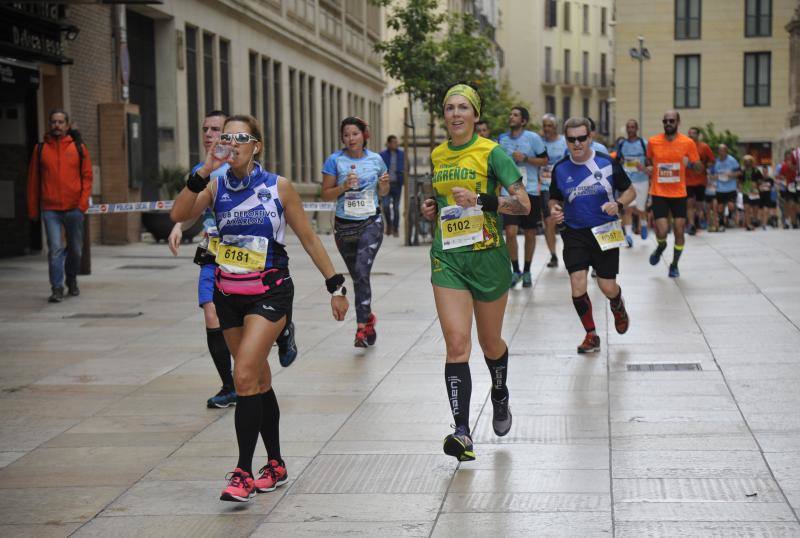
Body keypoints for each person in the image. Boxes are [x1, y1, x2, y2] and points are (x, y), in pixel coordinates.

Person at [170, 114, 348, 503]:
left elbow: (308, 238)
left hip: (270, 291)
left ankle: (242, 473)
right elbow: (179, 214)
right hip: (228, 294)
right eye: (226, 136)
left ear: (256, 145)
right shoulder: (215, 185)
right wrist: (204, 168)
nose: (232, 143)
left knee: (243, 374)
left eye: (241, 137)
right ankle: (277, 464)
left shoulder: (278, 187)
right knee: (258, 381)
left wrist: (335, 285)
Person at [420, 83, 529, 462]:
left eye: (462, 107)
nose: (455, 114)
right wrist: (432, 207)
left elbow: (523, 205)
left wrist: (482, 200)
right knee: (456, 343)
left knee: (490, 342)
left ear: (475, 114)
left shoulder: (492, 153)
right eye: (449, 107)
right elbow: (439, 195)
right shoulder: (437, 154)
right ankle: (462, 432)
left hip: (487, 258)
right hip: (448, 257)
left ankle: (500, 392)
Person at [548, 117, 634, 354]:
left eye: (581, 138)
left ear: (590, 138)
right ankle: (591, 334)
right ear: (566, 140)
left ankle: (617, 304)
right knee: (577, 285)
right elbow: (554, 198)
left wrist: (618, 204)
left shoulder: (607, 163)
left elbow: (630, 191)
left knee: (607, 286)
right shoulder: (560, 168)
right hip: (574, 232)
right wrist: (554, 209)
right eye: (571, 139)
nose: (577, 143)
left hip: (605, 230)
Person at [321, 117, 390, 347]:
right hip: (344, 226)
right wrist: (344, 187)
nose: (351, 138)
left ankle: (361, 328)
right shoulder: (335, 161)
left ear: (364, 135)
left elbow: (384, 190)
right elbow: (326, 194)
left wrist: (383, 185)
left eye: (355, 134)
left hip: (371, 222)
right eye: (346, 135)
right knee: (358, 276)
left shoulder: (376, 160)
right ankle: (369, 317)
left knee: (361, 271)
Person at [27, 109, 93, 303]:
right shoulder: (40, 150)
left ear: (67, 125)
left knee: (75, 249)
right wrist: (33, 209)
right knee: (55, 248)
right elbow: (33, 181)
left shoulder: (79, 148)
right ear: (50, 125)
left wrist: (82, 205)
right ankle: (56, 287)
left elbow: (87, 177)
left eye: (60, 122)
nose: (57, 125)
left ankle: (71, 279)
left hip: (74, 208)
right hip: (50, 209)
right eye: (53, 122)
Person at [645, 110, 700, 278]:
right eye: (665, 121)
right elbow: (648, 160)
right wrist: (649, 167)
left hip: (679, 193)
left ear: (678, 122)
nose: (668, 123)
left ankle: (674, 264)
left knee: (679, 230)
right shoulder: (653, 142)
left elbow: (699, 167)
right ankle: (661, 246)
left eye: (671, 120)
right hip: (659, 192)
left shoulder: (688, 142)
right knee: (662, 231)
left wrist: (691, 164)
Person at [498, 106, 548, 287]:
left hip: (530, 191)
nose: (511, 117)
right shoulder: (502, 140)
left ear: (524, 121)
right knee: (510, 232)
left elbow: (545, 160)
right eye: (510, 114)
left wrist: (526, 158)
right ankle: (515, 270)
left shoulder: (533, 138)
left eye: (516, 115)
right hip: (508, 192)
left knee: (529, 232)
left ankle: (527, 271)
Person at [540, 113, 568, 268]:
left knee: (565, 222)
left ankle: (568, 250)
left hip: (563, 187)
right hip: (545, 187)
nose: (546, 129)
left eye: (549, 125)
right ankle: (553, 255)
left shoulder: (564, 141)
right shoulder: (539, 143)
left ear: (555, 127)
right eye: (544, 126)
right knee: (549, 222)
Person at [615, 119, 649, 246]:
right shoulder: (622, 144)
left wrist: (644, 168)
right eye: (628, 127)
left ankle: (644, 224)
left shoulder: (643, 143)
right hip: (628, 182)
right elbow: (617, 161)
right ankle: (628, 236)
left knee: (640, 209)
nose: (630, 130)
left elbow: (650, 163)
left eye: (633, 127)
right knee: (627, 208)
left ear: (637, 128)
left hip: (642, 180)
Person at [685, 127, 715, 235]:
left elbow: (712, 161)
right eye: (689, 133)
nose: (691, 135)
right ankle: (691, 225)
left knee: (698, 204)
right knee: (689, 203)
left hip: (701, 180)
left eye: (693, 133)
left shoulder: (704, 147)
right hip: (687, 180)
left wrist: (704, 166)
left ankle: (697, 219)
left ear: (698, 135)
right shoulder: (685, 147)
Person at [379, 135, 405, 237]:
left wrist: (403, 177)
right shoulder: (382, 155)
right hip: (386, 184)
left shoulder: (402, 154)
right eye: (393, 142)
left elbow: (407, 165)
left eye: (396, 141)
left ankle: (395, 229)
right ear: (388, 143)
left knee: (396, 207)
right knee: (385, 206)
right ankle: (389, 225)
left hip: (397, 184)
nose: (396, 144)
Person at [711, 144, 741, 231]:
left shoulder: (732, 160)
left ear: (726, 151)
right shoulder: (716, 161)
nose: (721, 152)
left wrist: (732, 175)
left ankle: (730, 218)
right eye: (720, 151)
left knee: (731, 205)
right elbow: (712, 174)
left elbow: (739, 172)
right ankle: (721, 223)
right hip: (720, 188)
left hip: (731, 187)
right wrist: (714, 177)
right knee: (720, 207)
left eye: (723, 150)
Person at [740, 155, 763, 231]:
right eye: (746, 162)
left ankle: (754, 221)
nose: (747, 163)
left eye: (749, 161)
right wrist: (741, 187)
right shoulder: (742, 171)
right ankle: (748, 224)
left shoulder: (756, 170)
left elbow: (760, 180)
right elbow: (740, 181)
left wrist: (757, 185)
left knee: (755, 208)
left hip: (754, 192)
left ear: (752, 162)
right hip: (746, 191)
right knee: (746, 208)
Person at [775, 150, 798, 228]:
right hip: (787, 187)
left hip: (796, 187)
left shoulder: (796, 165)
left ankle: (794, 221)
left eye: (790, 158)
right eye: (787, 158)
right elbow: (779, 176)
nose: (788, 160)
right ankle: (790, 222)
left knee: (795, 205)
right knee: (789, 204)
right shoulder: (783, 166)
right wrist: (782, 179)